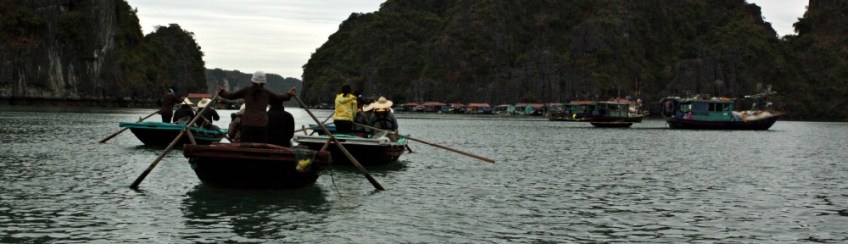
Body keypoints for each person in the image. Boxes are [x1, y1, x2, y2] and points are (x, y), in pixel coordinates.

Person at [216, 71, 295, 143]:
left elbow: (231, 96)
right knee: (260, 148)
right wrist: (289, 94)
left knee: (245, 147)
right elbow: (280, 98)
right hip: (261, 126)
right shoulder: (266, 93)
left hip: (247, 124)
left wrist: (222, 92)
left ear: (252, 81)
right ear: (264, 82)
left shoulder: (246, 90)